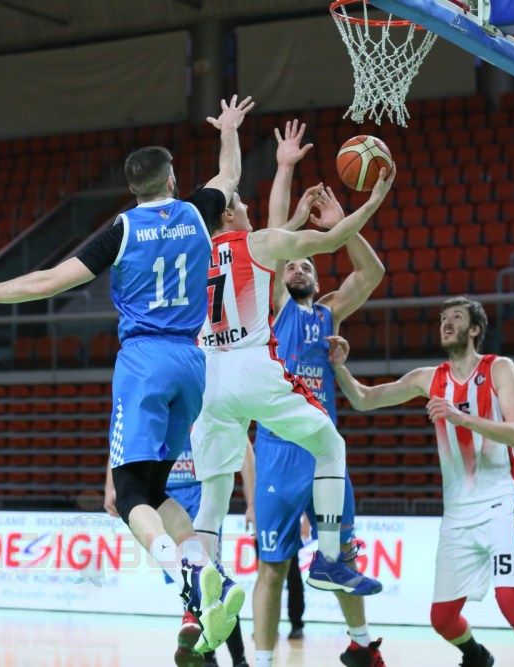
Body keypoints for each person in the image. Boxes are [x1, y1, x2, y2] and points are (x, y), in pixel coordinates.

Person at [0, 95, 255, 664]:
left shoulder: (121, 230)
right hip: (192, 360)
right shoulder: (195, 212)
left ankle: (186, 573)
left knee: (129, 495)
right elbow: (229, 175)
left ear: (132, 189)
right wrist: (228, 129)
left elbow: (47, 283)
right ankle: (207, 573)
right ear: (171, 179)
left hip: (144, 360)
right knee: (156, 490)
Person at [188, 118, 395, 613]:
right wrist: (375, 198)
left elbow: (272, 218)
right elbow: (330, 238)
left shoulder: (191, 253)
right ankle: (330, 558)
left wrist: (276, 166)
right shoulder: (257, 244)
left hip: (206, 378)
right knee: (331, 444)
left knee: (213, 494)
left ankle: (202, 583)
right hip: (251, 369)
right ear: (229, 215)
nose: (248, 208)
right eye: (241, 204)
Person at [327, 297, 514, 667]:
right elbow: (364, 399)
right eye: (443, 318)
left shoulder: (498, 368)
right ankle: (477, 657)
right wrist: (339, 367)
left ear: (475, 329)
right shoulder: (429, 378)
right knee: (442, 618)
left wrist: (460, 417)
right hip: (457, 515)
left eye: (457, 318)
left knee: (510, 601)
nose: (447, 323)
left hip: (500, 504)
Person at [243, 119, 388, 667]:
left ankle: (362, 645)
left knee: (343, 557)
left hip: (324, 450)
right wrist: (284, 168)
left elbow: (371, 274)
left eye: (309, 263)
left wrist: (341, 228)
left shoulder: (327, 314)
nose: (299, 267)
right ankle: (262, 660)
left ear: (318, 279)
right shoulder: (274, 309)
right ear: (282, 278)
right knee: (273, 566)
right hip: (280, 449)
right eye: (293, 265)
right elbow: (277, 237)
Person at [105, 440, 250, 667]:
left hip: (197, 490)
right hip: (164, 493)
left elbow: (244, 446)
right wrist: (110, 486)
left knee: (203, 578)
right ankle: (212, 657)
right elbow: (121, 439)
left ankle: (235, 659)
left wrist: (252, 503)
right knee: (194, 579)